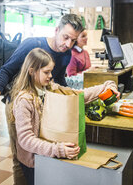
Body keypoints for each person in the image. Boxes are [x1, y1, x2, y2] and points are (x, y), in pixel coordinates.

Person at [0, 14, 120, 185]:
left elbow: (62, 86)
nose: (68, 44)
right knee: (22, 155)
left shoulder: (65, 54)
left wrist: (103, 88)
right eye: (65, 37)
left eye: (73, 40)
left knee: (40, 148)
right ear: (56, 30)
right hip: (20, 101)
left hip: (43, 99)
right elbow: (5, 72)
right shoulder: (33, 46)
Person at [10, 48, 80, 185]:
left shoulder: (49, 89)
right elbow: (25, 139)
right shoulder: (24, 100)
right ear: (31, 71)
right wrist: (57, 149)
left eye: (51, 71)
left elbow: (76, 94)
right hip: (33, 162)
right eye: (46, 72)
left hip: (46, 156)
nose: (50, 76)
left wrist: (104, 88)